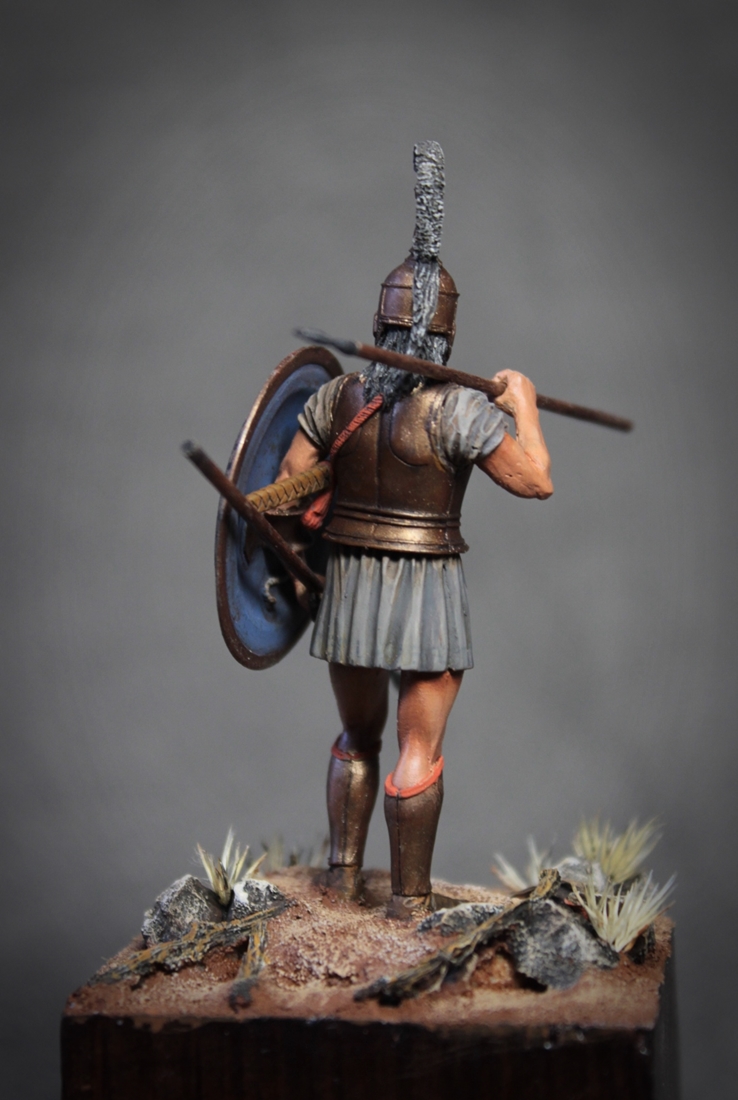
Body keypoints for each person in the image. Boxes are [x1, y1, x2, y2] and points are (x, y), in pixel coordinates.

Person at [277, 143, 552, 917]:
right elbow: (536, 479)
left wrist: (329, 503)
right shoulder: (462, 411)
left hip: (349, 586)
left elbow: (288, 484)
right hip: (427, 590)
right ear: (446, 339)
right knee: (417, 748)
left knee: (356, 737)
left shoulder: (336, 398)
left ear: (380, 322)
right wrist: (524, 406)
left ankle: (340, 880)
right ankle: (407, 904)